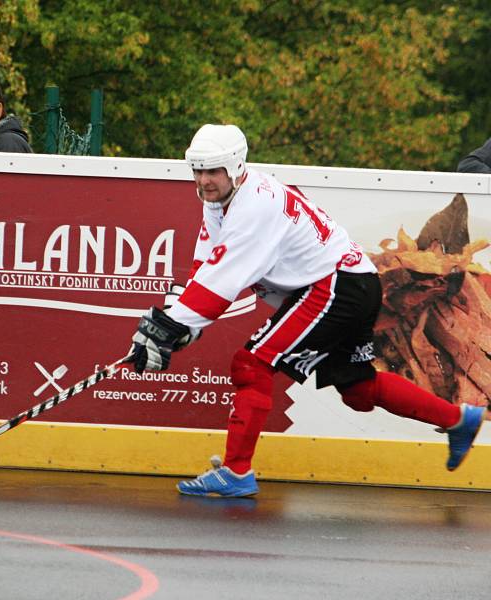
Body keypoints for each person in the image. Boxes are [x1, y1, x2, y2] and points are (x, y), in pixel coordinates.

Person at [126, 123, 487, 498]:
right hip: (348, 282)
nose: (203, 181)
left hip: (335, 285)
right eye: (197, 171)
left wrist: (168, 328)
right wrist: (175, 321)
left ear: (235, 167)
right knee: (358, 389)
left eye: (213, 171)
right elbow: (206, 267)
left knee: (250, 364)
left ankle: (235, 472)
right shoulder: (220, 200)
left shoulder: (254, 207)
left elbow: (221, 284)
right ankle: (459, 419)